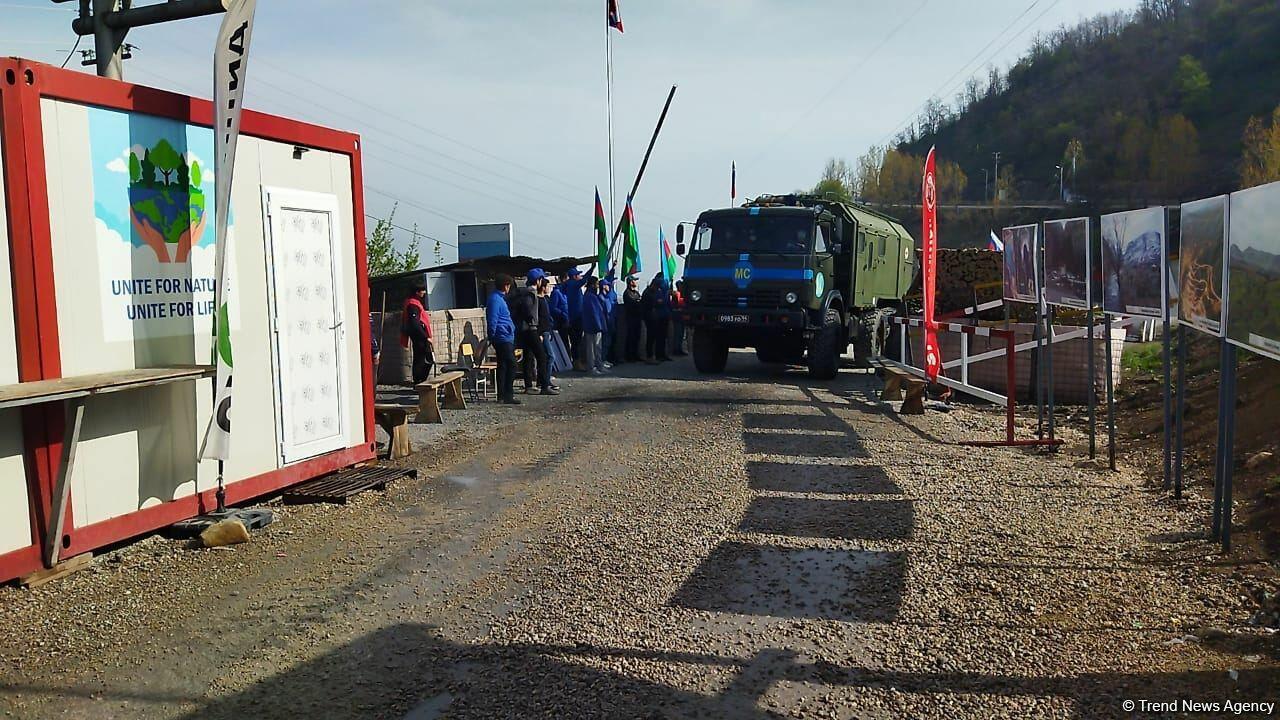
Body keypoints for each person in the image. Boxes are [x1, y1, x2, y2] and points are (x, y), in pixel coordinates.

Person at [487, 274, 519, 404]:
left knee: (503, 365)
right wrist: (492, 335)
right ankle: (508, 394)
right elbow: (493, 319)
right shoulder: (496, 300)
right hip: (502, 337)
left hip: (504, 336)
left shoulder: (498, 298)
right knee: (512, 364)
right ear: (506, 286)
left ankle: (501, 395)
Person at [400, 283, 434, 383]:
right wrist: (425, 337)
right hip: (419, 335)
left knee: (422, 358)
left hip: (419, 334)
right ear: (417, 292)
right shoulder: (413, 305)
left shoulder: (414, 303)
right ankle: (419, 381)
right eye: (422, 290)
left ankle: (419, 380)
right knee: (423, 359)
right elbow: (414, 323)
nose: (424, 292)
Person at [535, 277, 560, 393]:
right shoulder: (539, 300)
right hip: (542, 332)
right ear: (543, 287)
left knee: (546, 357)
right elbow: (538, 319)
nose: (549, 288)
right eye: (548, 286)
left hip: (546, 331)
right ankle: (546, 380)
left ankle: (543, 380)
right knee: (550, 356)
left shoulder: (545, 299)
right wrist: (540, 333)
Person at [580, 276, 609, 374]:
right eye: (596, 284)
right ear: (592, 285)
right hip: (592, 326)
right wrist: (599, 325)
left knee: (597, 347)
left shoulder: (592, 296)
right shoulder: (590, 296)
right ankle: (591, 367)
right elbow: (594, 313)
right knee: (591, 348)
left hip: (596, 325)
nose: (597, 286)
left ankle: (599, 365)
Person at [641, 274, 672, 363]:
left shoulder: (652, 292)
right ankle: (650, 357)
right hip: (650, 318)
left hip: (655, 317)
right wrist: (659, 301)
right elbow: (655, 303)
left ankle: (660, 355)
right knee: (651, 337)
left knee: (659, 336)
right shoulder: (648, 293)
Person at [562, 268, 587, 369]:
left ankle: (576, 361)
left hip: (573, 317)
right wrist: (592, 268)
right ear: (574, 276)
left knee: (575, 341)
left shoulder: (568, 285)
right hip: (576, 317)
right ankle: (577, 362)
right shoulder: (573, 285)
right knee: (576, 341)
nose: (580, 276)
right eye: (578, 275)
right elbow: (584, 280)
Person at [623, 276, 643, 362]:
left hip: (638, 317)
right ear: (631, 282)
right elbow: (633, 303)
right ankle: (629, 356)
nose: (636, 282)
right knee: (631, 336)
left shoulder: (636, 293)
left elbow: (640, 302)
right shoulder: (627, 293)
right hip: (631, 317)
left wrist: (639, 301)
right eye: (634, 280)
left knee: (637, 337)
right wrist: (637, 302)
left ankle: (635, 354)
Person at [599, 278, 618, 367]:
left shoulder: (606, 297)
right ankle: (602, 360)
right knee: (604, 343)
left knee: (608, 343)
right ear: (603, 286)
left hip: (610, 322)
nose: (609, 287)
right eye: (607, 285)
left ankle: (605, 359)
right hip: (605, 324)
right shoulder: (601, 298)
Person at [670, 280, 688, 356]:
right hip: (677, 316)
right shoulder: (676, 294)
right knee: (678, 333)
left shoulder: (684, 294)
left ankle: (679, 349)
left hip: (682, 316)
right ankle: (676, 350)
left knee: (681, 334)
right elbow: (673, 305)